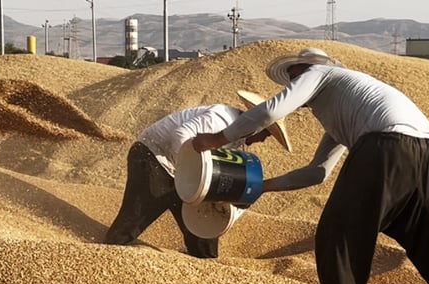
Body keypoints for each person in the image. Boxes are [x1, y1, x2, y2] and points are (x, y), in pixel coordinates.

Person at [190, 48, 429, 284]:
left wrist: (217, 139)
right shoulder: (345, 109)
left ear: (311, 69)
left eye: (295, 75)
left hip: (387, 144)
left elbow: (270, 112)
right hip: (426, 150)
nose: (293, 80)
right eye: (291, 76)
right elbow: (318, 172)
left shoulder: (320, 74)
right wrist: (264, 187)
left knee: (338, 231)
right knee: (427, 235)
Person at [105, 93, 291, 258]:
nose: (264, 140)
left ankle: (204, 266)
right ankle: (104, 256)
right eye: (266, 134)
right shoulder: (222, 119)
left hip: (183, 173)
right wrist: (190, 173)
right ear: (258, 126)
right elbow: (180, 135)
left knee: (203, 231)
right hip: (153, 157)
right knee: (134, 219)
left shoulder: (238, 140)